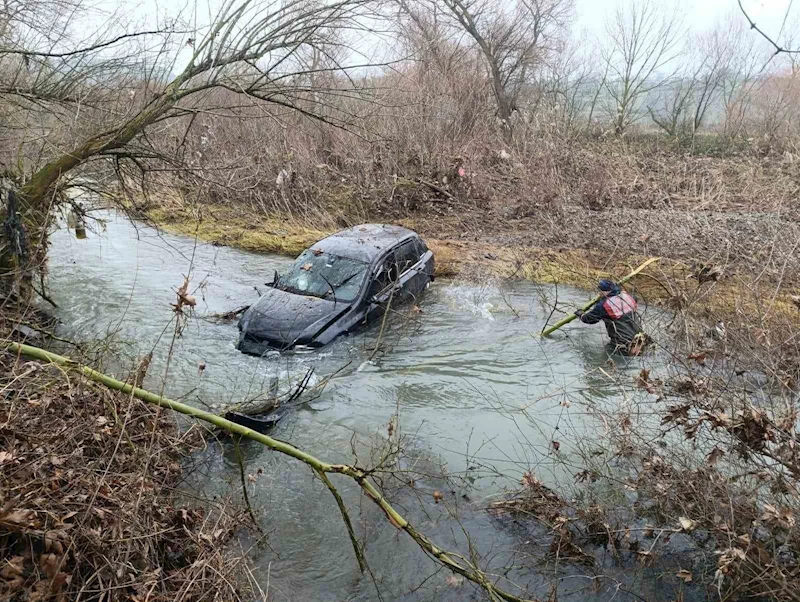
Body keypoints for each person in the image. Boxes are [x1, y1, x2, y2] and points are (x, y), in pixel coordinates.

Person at [574, 279, 649, 355]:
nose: (599, 294)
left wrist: (581, 314)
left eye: (600, 291)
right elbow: (634, 300)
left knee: (607, 356)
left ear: (605, 292)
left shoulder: (604, 305)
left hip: (622, 343)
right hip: (640, 339)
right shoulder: (628, 297)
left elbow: (589, 319)